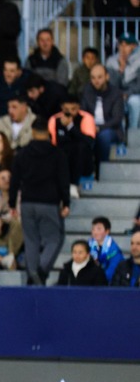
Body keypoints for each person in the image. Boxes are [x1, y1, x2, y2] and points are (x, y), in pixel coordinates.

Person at [10, 118, 69, 285]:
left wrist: (11, 203)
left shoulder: (23, 153)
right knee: (54, 239)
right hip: (49, 202)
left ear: (33, 131)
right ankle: (41, 271)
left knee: (31, 240)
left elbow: (15, 180)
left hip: (27, 202)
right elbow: (63, 180)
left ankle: (32, 273)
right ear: (48, 132)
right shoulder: (57, 154)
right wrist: (66, 202)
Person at [49, 96, 96, 200]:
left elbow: (89, 142)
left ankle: (73, 184)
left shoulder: (86, 118)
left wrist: (70, 127)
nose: (70, 112)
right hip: (62, 157)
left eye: (73, 109)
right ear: (62, 108)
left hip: (82, 160)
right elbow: (52, 143)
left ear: (79, 107)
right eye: (66, 110)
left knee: (80, 147)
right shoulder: (54, 119)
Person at [81, 64, 123, 167]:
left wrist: (99, 128)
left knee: (104, 136)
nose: (96, 81)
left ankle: (102, 168)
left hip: (110, 129)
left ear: (107, 77)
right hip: (90, 129)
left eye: (100, 77)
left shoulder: (115, 93)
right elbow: (82, 113)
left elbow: (117, 119)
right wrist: (90, 128)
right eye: (93, 78)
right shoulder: (87, 91)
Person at [105, 33, 140, 131]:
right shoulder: (111, 61)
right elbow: (111, 84)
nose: (123, 48)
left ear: (134, 46)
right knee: (115, 103)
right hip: (116, 95)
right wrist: (120, 70)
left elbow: (138, 85)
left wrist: (127, 94)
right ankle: (120, 135)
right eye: (121, 44)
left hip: (133, 94)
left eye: (127, 45)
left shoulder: (139, 61)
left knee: (135, 102)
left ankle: (133, 132)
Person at [89, 216, 126, 283]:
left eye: (98, 229)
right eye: (93, 229)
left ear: (107, 231)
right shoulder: (88, 246)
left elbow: (112, 270)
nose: (95, 232)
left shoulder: (114, 250)